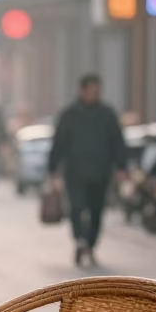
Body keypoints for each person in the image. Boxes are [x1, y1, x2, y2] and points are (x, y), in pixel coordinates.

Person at [49, 74, 126, 266]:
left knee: (97, 210)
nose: (93, 94)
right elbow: (59, 142)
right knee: (76, 207)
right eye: (90, 90)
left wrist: (121, 166)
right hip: (75, 171)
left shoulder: (107, 114)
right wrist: (53, 167)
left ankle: (90, 244)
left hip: (101, 171)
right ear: (82, 90)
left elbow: (117, 142)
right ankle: (80, 240)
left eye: (97, 90)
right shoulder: (70, 114)